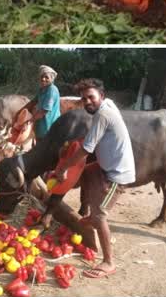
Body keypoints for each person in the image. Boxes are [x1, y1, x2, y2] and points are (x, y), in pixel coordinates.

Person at [53, 78, 135, 279]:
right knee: (86, 172)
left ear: (102, 97)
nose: (88, 102)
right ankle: (89, 216)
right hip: (105, 166)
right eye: (84, 99)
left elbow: (86, 148)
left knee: (100, 216)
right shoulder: (108, 105)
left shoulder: (103, 114)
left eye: (91, 97)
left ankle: (108, 262)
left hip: (118, 175)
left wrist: (63, 166)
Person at [13, 65, 61, 142]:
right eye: (41, 76)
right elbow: (33, 102)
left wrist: (29, 121)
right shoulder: (42, 89)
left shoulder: (52, 90)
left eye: (46, 77)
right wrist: (19, 112)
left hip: (50, 126)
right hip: (41, 126)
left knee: (45, 149)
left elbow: (44, 111)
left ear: (52, 79)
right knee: (39, 147)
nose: (43, 79)